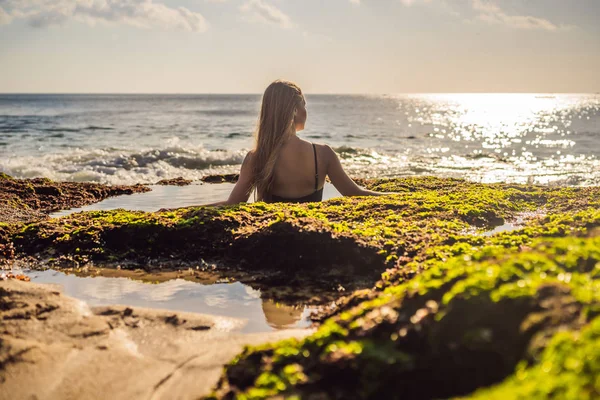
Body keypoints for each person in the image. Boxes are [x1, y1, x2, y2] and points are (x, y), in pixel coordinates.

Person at [207, 80, 389, 206]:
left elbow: (232, 204)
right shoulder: (323, 154)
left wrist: (182, 212)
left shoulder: (256, 158)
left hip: (270, 246)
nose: (306, 111)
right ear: (294, 110)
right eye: (304, 105)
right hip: (313, 243)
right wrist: (403, 196)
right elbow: (356, 194)